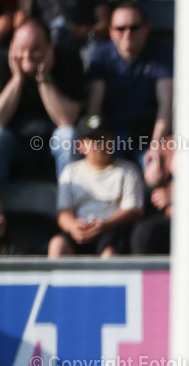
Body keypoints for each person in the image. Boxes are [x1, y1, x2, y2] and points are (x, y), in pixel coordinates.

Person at [85, 0, 172, 170]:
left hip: (147, 136)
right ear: (110, 31)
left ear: (146, 28)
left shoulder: (161, 52)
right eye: (120, 28)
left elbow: (166, 104)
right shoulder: (100, 55)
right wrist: (96, 146)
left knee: (154, 174)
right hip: (112, 136)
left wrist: (156, 147)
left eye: (134, 27)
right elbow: (94, 106)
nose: (127, 34)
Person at [0, 18, 83, 181]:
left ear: (50, 45)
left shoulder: (70, 62)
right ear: (11, 47)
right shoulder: (2, 63)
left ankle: (67, 203)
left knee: (68, 135)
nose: (27, 56)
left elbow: (66, 120)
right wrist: (17, 79)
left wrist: (44, 77)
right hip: (15, 141)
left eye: (35, 49)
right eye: (21, 49)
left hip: (52, 142)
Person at [49, 114, 142, 257]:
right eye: (94, 140)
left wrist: (105, 224)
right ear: (81, 146)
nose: (100, 145)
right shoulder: (70, 172)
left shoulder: (128, 170)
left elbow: (133, 210)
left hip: (114, 230)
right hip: (80, 231)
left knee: (109, 253)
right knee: (57, 245)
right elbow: (63, 212)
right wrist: (73, 226)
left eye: (104, 138)